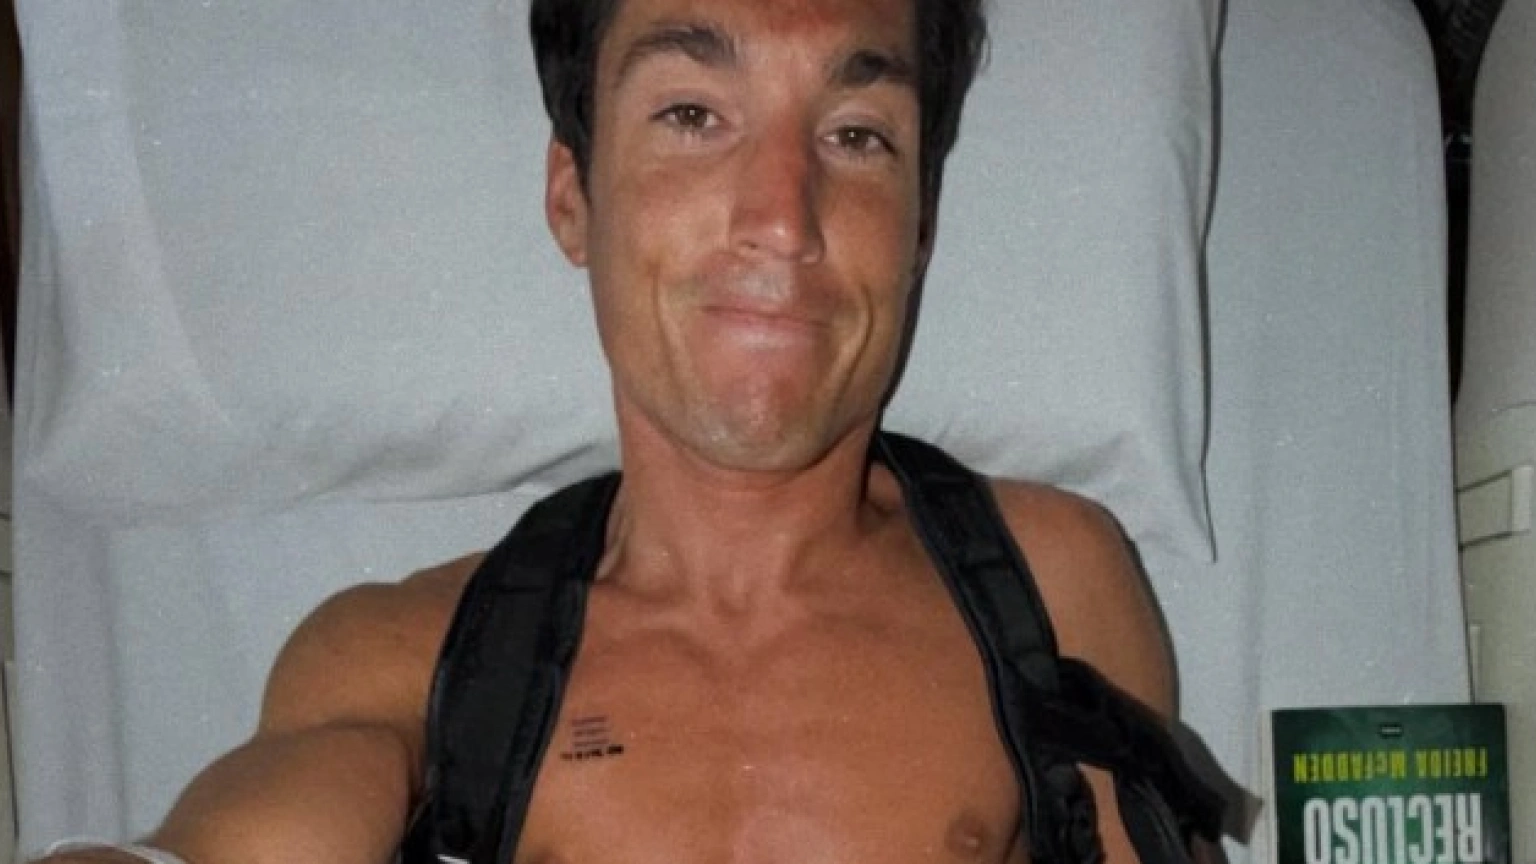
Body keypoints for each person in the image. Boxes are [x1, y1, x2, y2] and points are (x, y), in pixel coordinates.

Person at [39, 0, 1182, 861]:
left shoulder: (1053, 594)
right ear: (573, 199)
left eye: (855, 134)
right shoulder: (403, 666)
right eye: (693, 116)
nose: (783, 219)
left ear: (919, 223)